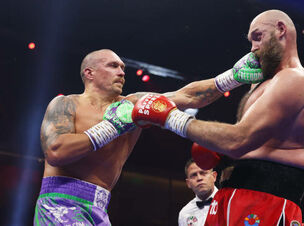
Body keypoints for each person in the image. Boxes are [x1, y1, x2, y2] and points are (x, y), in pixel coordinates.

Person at [132, 9, 304, 225]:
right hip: (232, 194)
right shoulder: (260, 80)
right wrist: (140, 101)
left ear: (281, 30)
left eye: (258, 37)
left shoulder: (295, 79)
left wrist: (168, 117)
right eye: (250, 41)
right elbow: (192, 95)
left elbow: (239, 140)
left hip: (267, 197)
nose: (253, 48)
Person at [34, 48, 259, 225]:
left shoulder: (133, 104)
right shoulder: (66, 104)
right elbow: (56, 151)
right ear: (89, 73)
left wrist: (232, 77)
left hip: (99, 207)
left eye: (122, 67)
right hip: (60, 202)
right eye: (113, 66)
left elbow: (189, 97)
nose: (122, 72)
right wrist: (111, 127)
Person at [178, 154, 218, 226]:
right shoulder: (185, 213)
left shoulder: (229, 202)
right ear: (188, 183)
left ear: (214, 176)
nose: (199, 178)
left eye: (203, 173)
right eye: (194, 175)